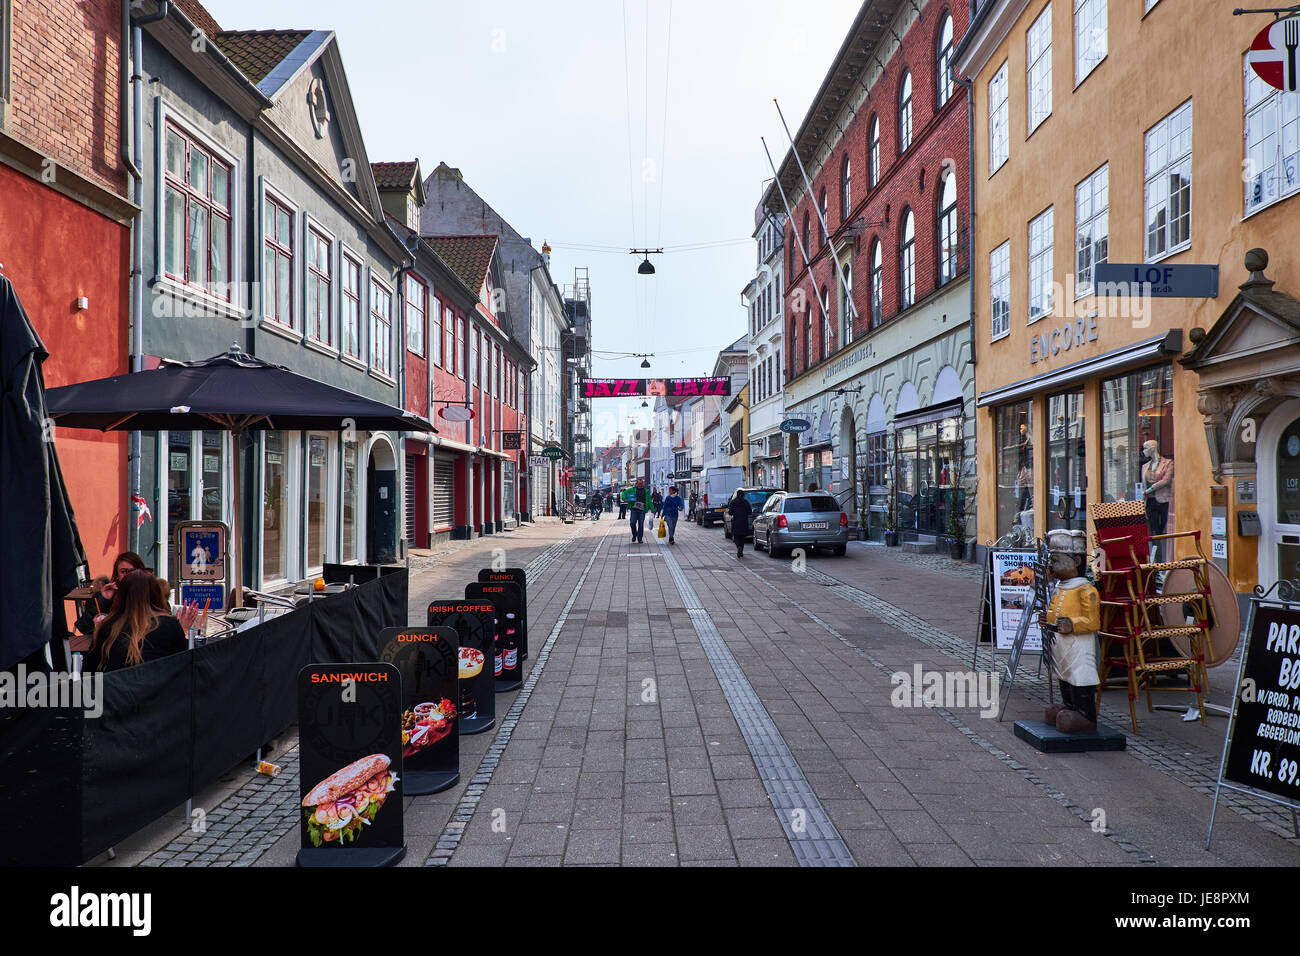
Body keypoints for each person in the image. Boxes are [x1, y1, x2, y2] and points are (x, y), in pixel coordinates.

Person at [1040, 529, 1101, 735]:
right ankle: (1068, 706)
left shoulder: (1086, 590)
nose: (1051, 566)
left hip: (1078, 645)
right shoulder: (1060, 587)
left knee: (1079, 677)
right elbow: (1054, 610)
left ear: (1075, 561)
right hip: (1061, 643)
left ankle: (1085, 715)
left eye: (1055, 560)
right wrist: (1047, 620)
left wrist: (1072, 624)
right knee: (1064, 675)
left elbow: (1092, 621)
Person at [86, 570, 200, 672]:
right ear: (156, 595)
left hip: (115, 693)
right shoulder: (168, 625)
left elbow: (89, 670)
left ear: (121, 595)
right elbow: (185, 665)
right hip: (157, 693)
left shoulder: (107, 627)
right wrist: (184, 630)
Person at [75, 550, 147, 638]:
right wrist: (103, 599)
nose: (127, 575)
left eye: (132, 571)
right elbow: (84, 627)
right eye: (123, 571)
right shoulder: (109, 594)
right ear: (117, 574)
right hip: (112, 646)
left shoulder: (150, 593)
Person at [623, 478, 653, 543]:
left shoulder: (646, 491)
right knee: (632, 523)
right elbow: (624, 493)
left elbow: (649, 501)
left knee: (641, 524)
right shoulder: (632, 489)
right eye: (639, 483)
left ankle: (640, 538)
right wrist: (624, 498)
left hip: (642, 510)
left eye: (641, 483)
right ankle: (634, 535)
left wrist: (652, 509)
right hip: (634, 509)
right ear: (636, 484)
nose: (640, 485)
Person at [728, 488, 753, 558]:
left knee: (736, 536)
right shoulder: (746, 502)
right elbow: (749, 512)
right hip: (744, 522)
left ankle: (738, 547)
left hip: (736, 521)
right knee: (742, 537)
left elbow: (730, 512)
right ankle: (741, 550)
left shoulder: (733, 502)